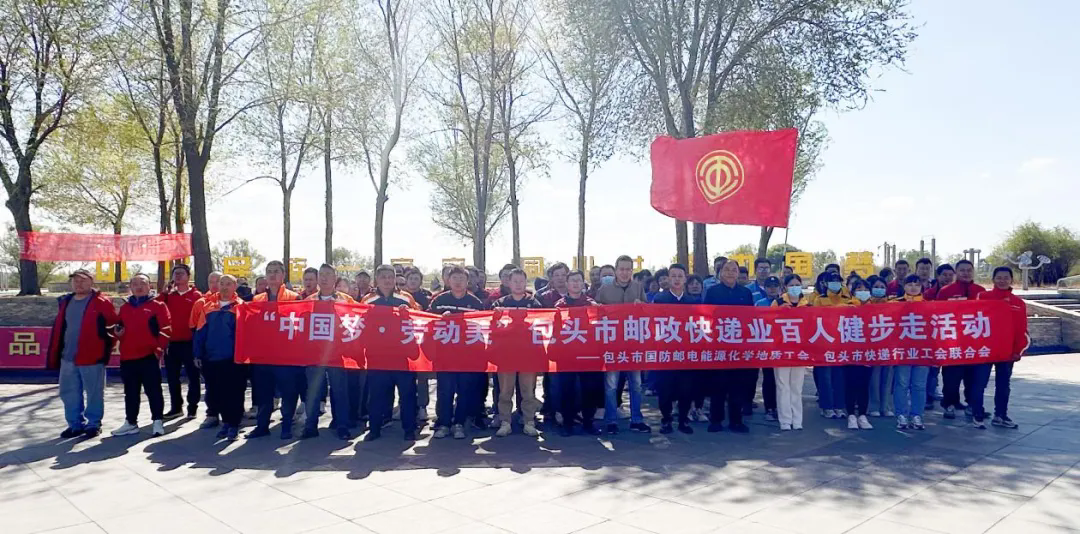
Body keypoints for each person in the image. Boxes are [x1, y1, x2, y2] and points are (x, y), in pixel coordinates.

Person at [47, 269, 120, 439]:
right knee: (69, 393)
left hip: (92, 357)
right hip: (68, 356)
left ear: (91, 282)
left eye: (83, 280)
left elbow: (112, 328)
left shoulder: (102, 302)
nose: (79, 284)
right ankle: (75, 424)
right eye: (76, 280)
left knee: (94, 393)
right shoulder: (65, 301)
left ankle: (93, 424)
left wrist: (103, 350)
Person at [363, 264, 421, 441]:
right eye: (383, 277)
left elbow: (419, 319)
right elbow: (359, 324)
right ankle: (374, 429)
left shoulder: (406, 298)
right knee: (376, 395)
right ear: (377, 280)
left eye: (390, 277)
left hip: (401, 356)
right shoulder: (368, 300)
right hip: (377, 357)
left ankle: (409, 429)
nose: (387, 281)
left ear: (395, 278)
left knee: (407, 395)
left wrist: (408, 313)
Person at [595, 255, 651, 434]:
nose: (625, 273)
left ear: (632, 271)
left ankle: (637, 419)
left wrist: (642, 306)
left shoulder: (638, 287)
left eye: (628, 269)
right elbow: (595, 313)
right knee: (611, 385)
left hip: (633, 345)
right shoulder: (605, 289)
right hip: (612, 345)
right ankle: (611, 420)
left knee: (636, 384)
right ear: (616, 270)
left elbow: (648, 313)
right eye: (621, 269)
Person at [248, 261, 303, 439]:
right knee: (263, 391)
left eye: (276, 271)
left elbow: (300, 326)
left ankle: (286, 425)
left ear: (283, 275)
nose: (272, 275)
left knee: (288, 391)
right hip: (263, 355)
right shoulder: (257, 300)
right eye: (269, 272)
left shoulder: (294, 298)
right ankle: (262, 425)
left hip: (286, 356)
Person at [428, 265, 485, 439]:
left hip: (466, 356)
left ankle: (459, 423)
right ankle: (444, 423)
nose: (458, 282)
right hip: (445, 355)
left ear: (468, 281)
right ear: (448, 281)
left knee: (464, 391)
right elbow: (428, 323)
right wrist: (440, 319)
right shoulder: (439, 300)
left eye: (462, 279)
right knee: (445, 390)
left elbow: (483, 326)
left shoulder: (475, 303)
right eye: (454, 278)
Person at [302, 264, 358, 440]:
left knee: (340, 391)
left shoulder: (346, 300)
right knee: (313, 391)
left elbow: (359, 318)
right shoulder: (309, 300)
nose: (324, 278)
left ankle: (342, 425)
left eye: (328, 275)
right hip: (314, 354)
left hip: (337, 354)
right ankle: (310, 426)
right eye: (321, 275)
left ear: (335, 278)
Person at [112, 273, 171, 437]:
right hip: (128, 357)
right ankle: (131, 423)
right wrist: (118, 333)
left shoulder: (158, 305)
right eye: (135, 284)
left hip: (149, 356)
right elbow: (118, 328)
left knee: (154, 391)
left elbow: (166, 330)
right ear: (130, 287)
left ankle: (157, 421)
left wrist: (158, 350)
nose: (139, 287)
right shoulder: (125, 308)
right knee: (130, 392)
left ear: (149, 286)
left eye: (143, 283)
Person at [702, 260, 755, 433]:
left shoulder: (745, 293)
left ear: (738, 273)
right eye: (727, 269)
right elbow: (705, 315)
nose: (731, 272)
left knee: (737, 385)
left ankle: (736, 421)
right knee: (717, 384)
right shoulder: (712, 292)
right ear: (720, 272)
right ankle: (716, 420)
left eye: (734, 270)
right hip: (718, 345)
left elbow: (751, 318)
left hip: (739, 346)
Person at [491, 268, 544, 437]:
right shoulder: (500, 304)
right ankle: (505, 421)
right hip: (506, 355)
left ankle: (529, 421)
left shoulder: (534, 304)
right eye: (515, 281)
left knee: (528, 392)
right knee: (505, 392)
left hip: (528, 355)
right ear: (509, 283)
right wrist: (496, 317)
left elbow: (541, 326)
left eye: (521, 281)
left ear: (526, 282)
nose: (518, 284)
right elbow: (492, 328)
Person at [194, 274, 245, 440]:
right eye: (222, 283)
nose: (224, 287)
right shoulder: (208, 307)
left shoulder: (241, 307)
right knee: (218, 392)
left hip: (233, 359)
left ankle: (234, 424)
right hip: (211, 357)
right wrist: (197, 353)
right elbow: (200, 332)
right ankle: (226, 423)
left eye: (228, 284)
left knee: (234, 392)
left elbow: (246, 335)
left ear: (235, 287)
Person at [977, 266, 1029, 429]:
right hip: (985, 350)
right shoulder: (982, 297)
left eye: (1006, 278)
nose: (1002, 281)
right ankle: (977, 414)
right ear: (993, 279)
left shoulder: (1018, 303)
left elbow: (1022, 329)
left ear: (1011, 280)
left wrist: (1018, 351)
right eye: (999, 277)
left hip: (1007, 352)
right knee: (980, 382)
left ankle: (1000, 415)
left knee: (1003, 385)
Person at [935, 259, 986, 425]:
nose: (966, 273)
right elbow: (937, 314)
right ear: (956, 272)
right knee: (951, 376)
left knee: (973, 377)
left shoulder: (980, 291)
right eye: (962, 270)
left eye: (969, 270)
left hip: (974, 342)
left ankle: (972, 405)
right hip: (953, 342)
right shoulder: (946, 291)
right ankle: (949, 404)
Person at [554, 270, 605, 436]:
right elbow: (555, 330)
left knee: (589, 388)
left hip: (587, 354)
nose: (576, 283)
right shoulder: (559, 306)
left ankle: (588, 422)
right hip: (566, 354)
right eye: (572, 281)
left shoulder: (591, 305)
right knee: (566, 389)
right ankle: (567, 423)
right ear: (567, 284)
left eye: (578, 280)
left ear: (583, 283)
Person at [652, 264, 698, 435]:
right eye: (673, 276)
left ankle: (683, 419)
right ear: (668, 279)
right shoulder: (659, 299)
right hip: (665, 352)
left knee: (686, 388)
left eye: (680, 276)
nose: (677, 279)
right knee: (665, 389)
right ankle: (666, 419)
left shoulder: (692, 302)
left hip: (686, 353)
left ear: (685, 279)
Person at [156, 264, 203, 421]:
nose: (178, 276)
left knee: (193, 376)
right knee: (172, 377)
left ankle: (192, 407)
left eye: (181, 273)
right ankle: (176, 408)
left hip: (190, 342)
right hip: (172, 343)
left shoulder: (197, 296)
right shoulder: (168, 296)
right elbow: (155, 308)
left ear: (188, 277)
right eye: (175, 273)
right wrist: (163, 293)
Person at [810, 271, 851, 420]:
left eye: (838, 281)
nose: (835, 283)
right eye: (832, 281)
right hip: (824, 343)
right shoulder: (820, 299)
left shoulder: (847, 299)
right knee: (825, 377)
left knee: (839, 376)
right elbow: (816, 319)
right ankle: (826, 407)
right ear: (826, 284)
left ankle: (839, 406)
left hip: (841, 343)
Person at [772, 274, 809, 430]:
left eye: (797, 284)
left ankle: (797, 420)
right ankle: (785, 420)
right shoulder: (778, 302)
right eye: (791, 285)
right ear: (785, 287)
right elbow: (769, 323)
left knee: (796, 386)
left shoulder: (807, 305)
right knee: (782, 385)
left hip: (800, 350)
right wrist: (779, 313)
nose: (795, 288)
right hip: (781, 349)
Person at [892, 275, 929, 430]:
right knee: (902, 383)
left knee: (919, 385)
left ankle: (916, 415)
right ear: (904, 286)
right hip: (902, 351)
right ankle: (901, 414)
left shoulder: (929, 305)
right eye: (910, 284)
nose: (913, 287)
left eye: (917, 285)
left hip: (923, 351)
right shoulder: (895, 304)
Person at [922, 263, 954, 409]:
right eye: (944, 275)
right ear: (937, 276)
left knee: (950, 371)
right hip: (932, 336)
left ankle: (951, 399)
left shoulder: (956, 293)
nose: (947, 278)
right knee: (931, 369)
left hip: (951, 336)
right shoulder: (929, 294)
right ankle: (928, 396)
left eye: (950, 275)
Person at [844, 278, 875, 430]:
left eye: (865, 289)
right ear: (853, 292)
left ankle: (862, 415)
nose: (863, 292)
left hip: (867, 352)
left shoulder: (875, 309)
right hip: (850, 352)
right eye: (859, 289)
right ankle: (851, 415)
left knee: (864, 384)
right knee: (850, 384)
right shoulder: (846, 307)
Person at [864, 275, 895, 419]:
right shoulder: (866, 305)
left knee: (888, 378)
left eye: (882, 287)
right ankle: (873, 406)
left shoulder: (893, 305)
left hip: (889, 346)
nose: (879, 289)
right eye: (876, 287)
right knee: (874, 378)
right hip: (872, 346)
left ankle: (886, 406)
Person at [752, 276, 781, 422]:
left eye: (775, 286)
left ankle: (781, 407)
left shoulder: (785, 302)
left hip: (783, 347)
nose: (772, 289)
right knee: (769, 378)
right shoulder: (759, 303)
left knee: (782, 380)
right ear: (765, 288)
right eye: (769, 286)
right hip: (766, 347)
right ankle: (769, 408)